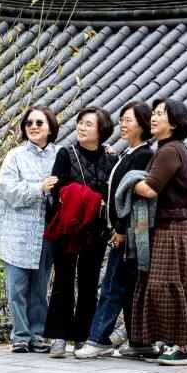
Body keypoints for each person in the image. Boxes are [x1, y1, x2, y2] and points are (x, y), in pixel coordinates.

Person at [127, 98, 187, 366]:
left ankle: (179, 346)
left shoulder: (169, 151)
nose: (153, 118)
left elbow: (149, 189)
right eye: (153, 113)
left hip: (171, 229)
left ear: (174, 123)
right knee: (171, 285)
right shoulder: (172, 148)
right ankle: (172, 343)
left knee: (167, 286)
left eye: (160, 114)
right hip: (173, 228)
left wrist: (128, 181)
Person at [75, 101, 155, 359]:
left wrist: (120, 229)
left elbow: (132, 198)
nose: (122, 124)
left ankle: (98, 339)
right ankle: (139, 341)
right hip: (126, 231)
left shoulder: (143, 155)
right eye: (121, 120)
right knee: (129, 286)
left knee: (112, 285)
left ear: (142, 125)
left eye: (128, 120)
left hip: (128, 232)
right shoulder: (129, 153)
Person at [43, 106, 115, 357]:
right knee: (63, 279)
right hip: (68, 226)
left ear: (101, 131)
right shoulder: (66, 154)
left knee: (89, 281)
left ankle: (82, 337)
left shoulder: (111, 158)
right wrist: (83, 199)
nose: (81, 128)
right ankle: (59, 336)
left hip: (95, 229)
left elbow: (112, 194)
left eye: (88, 124)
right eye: (80, 122)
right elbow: (56, 189)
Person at [0, 105, 59, 353]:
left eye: (39, 123)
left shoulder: (60, 155)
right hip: (17, 232)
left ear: (50, 127)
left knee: (40, 288)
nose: (33, 127)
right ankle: (20, 335)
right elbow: (8, 190)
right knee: (17, 288)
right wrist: (38, 188)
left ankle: (38, 334)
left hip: (46, 232)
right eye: (29, 123)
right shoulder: (15, 156)